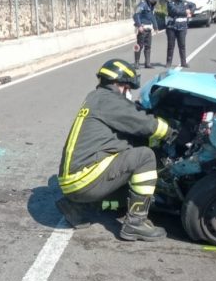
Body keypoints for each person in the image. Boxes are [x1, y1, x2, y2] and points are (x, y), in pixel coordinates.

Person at [56, 59, 174, 241]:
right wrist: (173, 131)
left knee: (128, 173)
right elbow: (147, 125)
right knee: (144, 157)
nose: (129, 93)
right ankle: (136, 223)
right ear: (121, 84)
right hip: (84, 180)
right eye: (128, 88)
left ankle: (77, 206)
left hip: (71, 183)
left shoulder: (96, 97)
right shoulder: (109, 101)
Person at [165, 0, 194, 68]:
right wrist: (186, 12)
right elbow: (175, 11)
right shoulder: (170, 2)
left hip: (182, 27)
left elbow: (193, 5)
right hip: (171, 26)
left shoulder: (185, 2)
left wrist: (190, 11)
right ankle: (168, 62)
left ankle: (183, 62)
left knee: (182, 45)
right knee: (171, 46)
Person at [132, 0, 159, 68]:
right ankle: (136, 63)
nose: (155, 1)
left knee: (148, 46)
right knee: (139, 46)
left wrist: (156, 27)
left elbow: (152, 17)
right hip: (142, 28)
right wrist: (139, 25)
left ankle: (147, 63)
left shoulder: (151, 6)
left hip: (148, 29)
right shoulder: (143, 5)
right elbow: (136, 15)